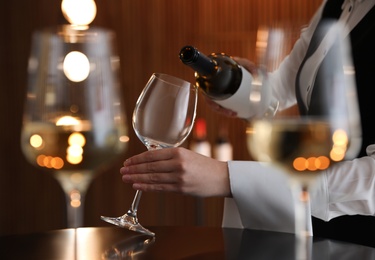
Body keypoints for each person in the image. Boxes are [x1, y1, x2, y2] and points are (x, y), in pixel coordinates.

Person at [120, 0, 375, 248]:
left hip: (363, 242)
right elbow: (276, 92)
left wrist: (227, 177)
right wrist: (239, 90)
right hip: (311, 231)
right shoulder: (336, 4)